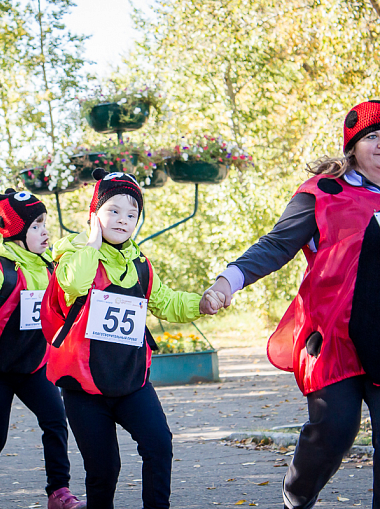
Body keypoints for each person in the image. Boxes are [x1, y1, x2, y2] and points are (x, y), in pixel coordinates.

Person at [201, 100, 380, 509]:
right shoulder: (323, 193)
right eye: (372, 136)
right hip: (332, 339)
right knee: (334, 429)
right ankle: (298, 492)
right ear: (352, 146)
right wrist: (228, 282)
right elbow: (276, 245)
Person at [41, 169, 223, 509]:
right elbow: (75, 285)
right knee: (104, 471)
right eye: (113, 211)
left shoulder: (140, 264)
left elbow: (166, 301)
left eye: (132, 214)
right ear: (94, 214)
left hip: (131, 381)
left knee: (159, 445)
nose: (123, 220)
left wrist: (201, 302)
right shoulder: (73, 255)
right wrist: (92, 242)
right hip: (83, 388)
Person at [0, 189, 85, 509]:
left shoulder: (47, 266)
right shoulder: (0, 267)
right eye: (36, 225)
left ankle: (58, 491)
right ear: (15, 232)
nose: (45, 231)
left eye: (45, 223)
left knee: (55, 420)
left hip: (33, 366)